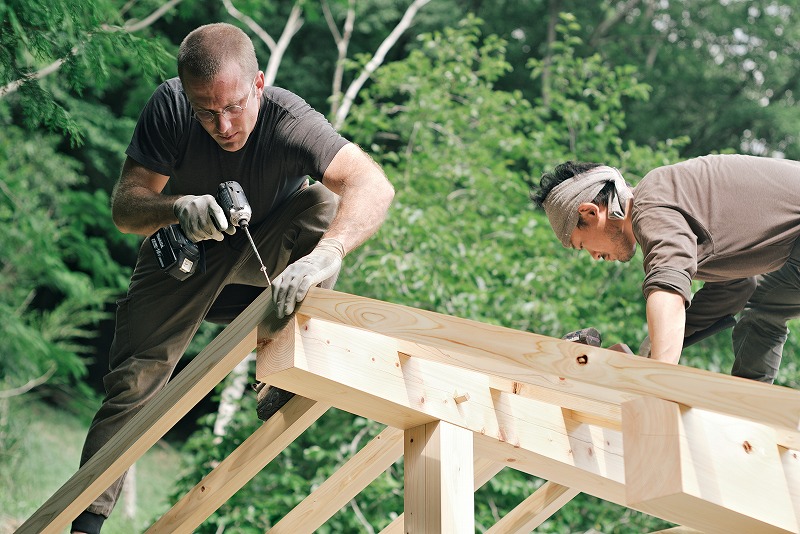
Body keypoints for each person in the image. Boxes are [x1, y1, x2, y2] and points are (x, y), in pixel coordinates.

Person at [71, 22, 394, 534]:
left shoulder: (290, 120)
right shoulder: (170, 108)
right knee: (135, 381)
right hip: (183, 262)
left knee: (322, 204)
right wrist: (176, 207)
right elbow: (125, 210)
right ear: (186, 96)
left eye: (234, 106)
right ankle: (83, 522)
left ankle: (281, 365)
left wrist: (326, 254)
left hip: (262, 260)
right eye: (207, 111)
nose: (222, 124)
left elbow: (373, 184)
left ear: (259, 85)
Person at [530, 155, 800, 382]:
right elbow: (737, 286)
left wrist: (655, 383)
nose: (594, 256)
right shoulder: (670, 203)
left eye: (582, 245)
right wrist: (647, 353)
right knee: (764, 306)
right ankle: (750, 422)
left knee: (763, 307)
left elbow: (667, 287)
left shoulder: (650, 201)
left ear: (591, 212)